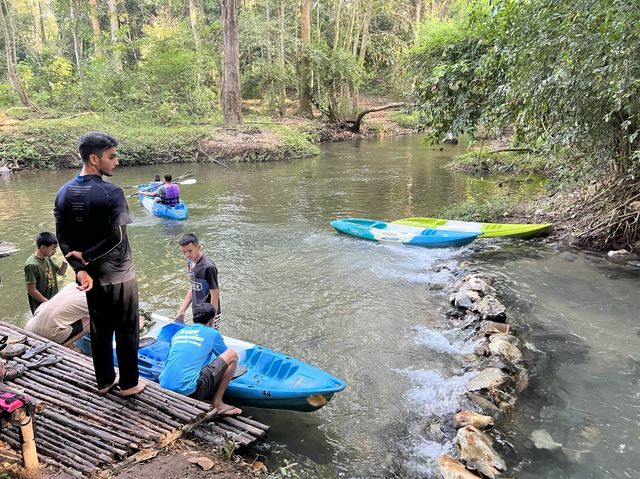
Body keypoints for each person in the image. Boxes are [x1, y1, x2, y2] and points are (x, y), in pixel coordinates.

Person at [54, 131, 144, 397]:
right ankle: (129, 384)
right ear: (94, 159)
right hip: (119, 274)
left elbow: (63, 238)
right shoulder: (112, 192)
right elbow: (117, 236)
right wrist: (88, 256)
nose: (116, 162)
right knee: (127, 331)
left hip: (91, 277)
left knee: (100, 329)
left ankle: (104, 381)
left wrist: (80, 269)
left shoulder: (63, 193)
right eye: (112, 157)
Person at [160, 304, 241, 415]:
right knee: (232, 355)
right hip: (189, 391)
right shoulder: (213, 333)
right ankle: (218, 403)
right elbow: (224, 355)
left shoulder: (178, 334)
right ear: (212, 321)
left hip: (164, 385)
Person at [175, 233, 221, 329]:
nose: (187, 255)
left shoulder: (208, 267)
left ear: (198, 247)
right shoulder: (191, 263)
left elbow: (215, 296)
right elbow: (193, 287)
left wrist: (211, 319)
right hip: (197, 311)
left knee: (209, 339)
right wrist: (182, 310)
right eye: (184, 252)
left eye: (190, 251)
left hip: (209, 314)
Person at [24, 283, 90, 347]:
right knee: (90, 320)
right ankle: (64, 345)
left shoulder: (72, 286)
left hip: (29, 327)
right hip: (47, 334)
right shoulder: (90, 299)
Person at [24, 232, 68, 314]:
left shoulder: (47, 258)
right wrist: (48, 303)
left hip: (52, 301)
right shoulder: (31, 265)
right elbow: (31, 290)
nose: (55, 252)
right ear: (43, 247)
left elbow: (61, 272)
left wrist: (65, 263)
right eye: (53, 248)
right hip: (42, 306)